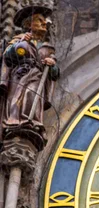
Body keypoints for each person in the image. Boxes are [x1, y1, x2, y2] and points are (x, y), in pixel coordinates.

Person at [0, 6, 59, 146]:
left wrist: (52, 65)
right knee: (18, 97)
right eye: (40, 20)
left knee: (33, 97)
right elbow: (8, 57)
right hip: (21, 75)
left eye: (44, 21)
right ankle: (15, 121)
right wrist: (21, 43)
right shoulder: (19, 39)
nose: (45, 23)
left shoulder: (47, 48)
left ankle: (33, 122)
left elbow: (55, 74)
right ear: (28, 24)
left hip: (38, 76)